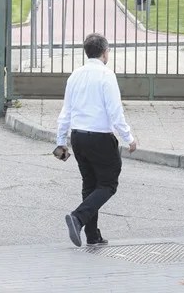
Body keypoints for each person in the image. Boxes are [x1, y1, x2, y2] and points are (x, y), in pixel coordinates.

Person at [53, 33, 137, 247]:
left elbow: (66, 111)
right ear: (105, 52)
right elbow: (115, 111)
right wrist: (128, 137)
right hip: (100, 137)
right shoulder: (106, 75)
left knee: (89, 184)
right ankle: (78, 217)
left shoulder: (75, 75)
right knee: (108, 183)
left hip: (78, 137)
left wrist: (61, 140)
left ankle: (92, 235)